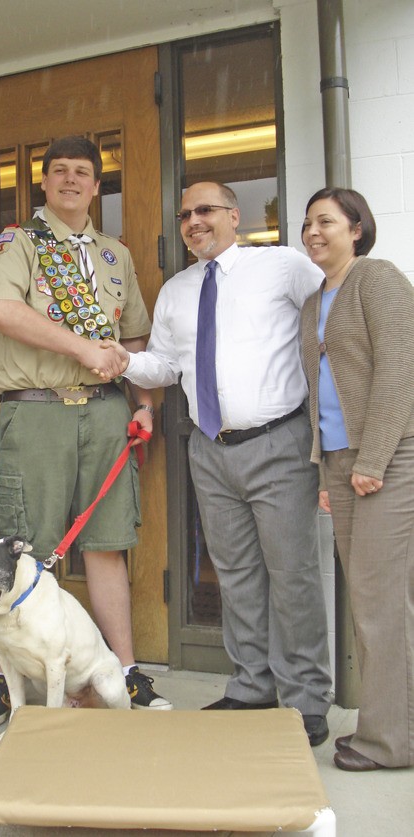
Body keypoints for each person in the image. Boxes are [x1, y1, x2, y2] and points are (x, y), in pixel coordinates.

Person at [111, 181, 332, 745]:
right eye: (184, 214)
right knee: (234, 575)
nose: (193, 221)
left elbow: (335, 313)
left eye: (205, 210)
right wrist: (121, 360)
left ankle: (306, 699)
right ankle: (252, 685)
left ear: (235, 215)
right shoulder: (176, 291)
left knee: (293, 576)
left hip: (279, 443)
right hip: (209, 450)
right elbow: (163, 366)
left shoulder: (281, 266)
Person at [0, 135, 172, 725]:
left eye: (82, 172)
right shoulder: (18, 244)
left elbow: (134, 337)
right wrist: (84, 348)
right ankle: (7, 683)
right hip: (37, 410)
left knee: (107, 543)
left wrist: (144, 403)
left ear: (96, 184)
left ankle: (125, 672)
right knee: (23, 549)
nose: (70, 181)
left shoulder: (115, 255)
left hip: (109, 412)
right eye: (59, 171)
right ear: (44, 182)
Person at [300, 187, 414, 771]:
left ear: (357, 228)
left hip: (388, 460)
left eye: (327, 221)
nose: (313, 231)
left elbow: (400, 372)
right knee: (371, 601)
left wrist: (370, 460)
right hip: (343, 464)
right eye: (307, 222)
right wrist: (328, 468)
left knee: (381, 604)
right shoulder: (314, 298)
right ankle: (388, 729)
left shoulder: (378, 279)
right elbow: (321, 394)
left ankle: (391, 743)